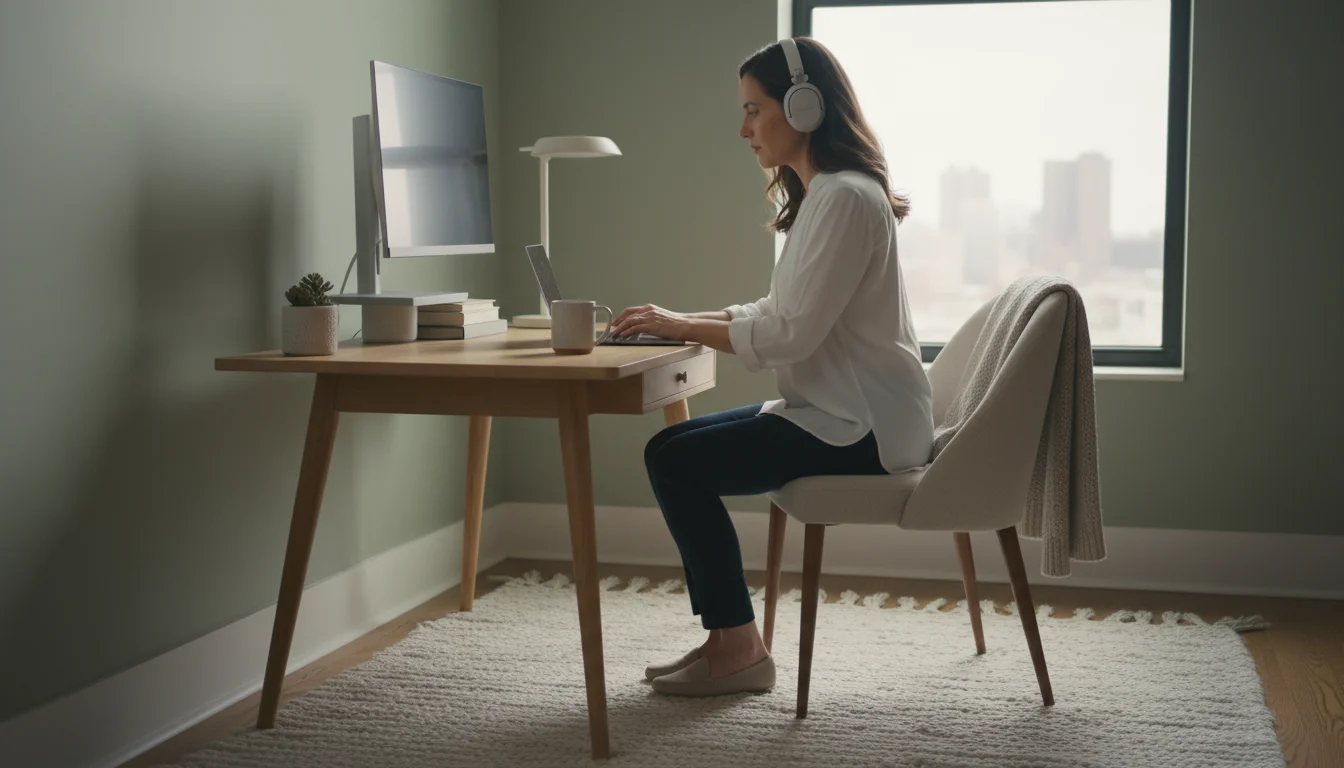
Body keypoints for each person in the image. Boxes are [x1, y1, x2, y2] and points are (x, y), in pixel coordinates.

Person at [610, 37, 935, 698]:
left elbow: (790, 334)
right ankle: (731, 640)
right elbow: (779, 308)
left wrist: (679, 328)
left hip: (863, 428)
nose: (744, 128)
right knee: (672, 447)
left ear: (806, 105)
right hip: (837, 412)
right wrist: (683, 316)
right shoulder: (825, 197)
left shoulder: (845, 198)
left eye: (755, 110)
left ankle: (738, 650)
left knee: (675, 463)